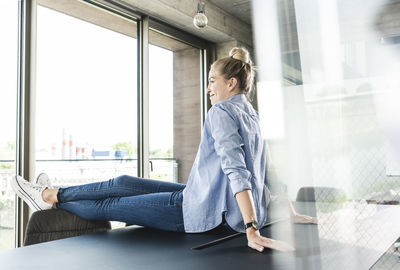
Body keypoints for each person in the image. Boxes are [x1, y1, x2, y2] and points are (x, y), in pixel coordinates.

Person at [11, 47, 316, 253]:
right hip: (200, 195)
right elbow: (267, 169)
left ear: (231, 83)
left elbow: (238, 171)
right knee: (122, 183)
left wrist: (251, 228)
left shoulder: (221, 112)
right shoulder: (251, 114)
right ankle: (51, 195)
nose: (208, 88)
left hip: (201, 212)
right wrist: (290, 211)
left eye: (212, 81)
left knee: (111, 204)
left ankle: (50, 198)